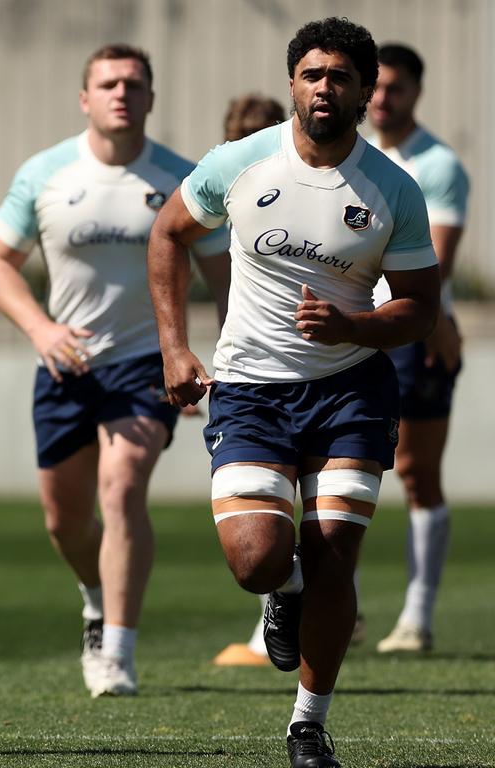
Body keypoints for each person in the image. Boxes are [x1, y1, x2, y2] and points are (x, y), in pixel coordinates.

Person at [147, 18, 439, 768]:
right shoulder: (240, 163)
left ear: (367, 92)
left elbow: (420, 308)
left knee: (336, 546)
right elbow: (169, 233)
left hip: (351, 392)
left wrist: (355, 323)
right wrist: (176, 347)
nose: (324, 88)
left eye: (340, 76)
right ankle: (287, 587)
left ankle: (308, 725)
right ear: (292, 84)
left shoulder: (393, 190)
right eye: (312, 74)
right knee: (257, 561)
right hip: (249, 390)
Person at [0, 43, 229, 698]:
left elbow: (225, 279)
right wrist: (41, 328)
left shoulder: (183, 176)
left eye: (134, 84)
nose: (122, 93)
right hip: (64, 366)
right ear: (84, 98)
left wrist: (211, 358)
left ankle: (115, 649)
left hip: (144, 363)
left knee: (121, 489)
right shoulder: (45, 173)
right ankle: (94, 595)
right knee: (64, 520)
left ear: (151, 97)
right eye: (108, 84)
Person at [367, 44, 470, 655]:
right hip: (351, 327)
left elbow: (439, 260)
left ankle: (416, 616)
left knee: (414, 473)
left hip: (412, 331)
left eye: (395, 88)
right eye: (375, 87)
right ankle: (337, 609)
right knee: (329, 468)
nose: (382, 99)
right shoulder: (345, 154)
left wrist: (431, 318)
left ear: (416, 93)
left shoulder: (437, 165)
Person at [209, 93, 287, 668]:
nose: (246, 148)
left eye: (259, 134)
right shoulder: (220, 198)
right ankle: (292, 600)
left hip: (321, 368)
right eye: (238, 138)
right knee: (258, 515)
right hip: (246, 376)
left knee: (327, 503)